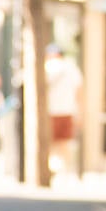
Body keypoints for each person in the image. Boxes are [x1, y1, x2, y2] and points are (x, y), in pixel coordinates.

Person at [45, 43, 83, 175]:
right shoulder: (72, 68)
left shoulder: (47, 67)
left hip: (51, 111)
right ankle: (65, 172)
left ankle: (54, 169)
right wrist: (79, 111)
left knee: (51, 144)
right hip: (68, 110)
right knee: (64, 143)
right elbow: (79, 91)